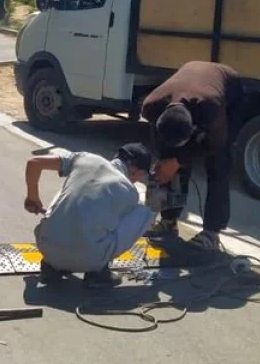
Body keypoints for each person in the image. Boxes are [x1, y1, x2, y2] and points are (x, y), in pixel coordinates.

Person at [140, 61, 244, 252]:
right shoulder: (151, 106)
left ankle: (211, 233)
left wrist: (178, 160)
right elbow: (161, 145)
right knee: (169, 161)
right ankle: (168, 221)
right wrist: (166, 163)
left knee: (218, 164)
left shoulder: (211, 107)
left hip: (229, 92)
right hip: (190, 80)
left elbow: (215, 144)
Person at [23, 144, 155, 288]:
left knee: (73, 189)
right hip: (91, 260)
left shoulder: (84, 158)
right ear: (135, 171)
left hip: (47, 248)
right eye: (143, 175)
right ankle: (98, 274)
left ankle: (52, 268)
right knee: (143, 213)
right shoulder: (129, 191)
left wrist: (32, 198)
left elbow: (34, 163)